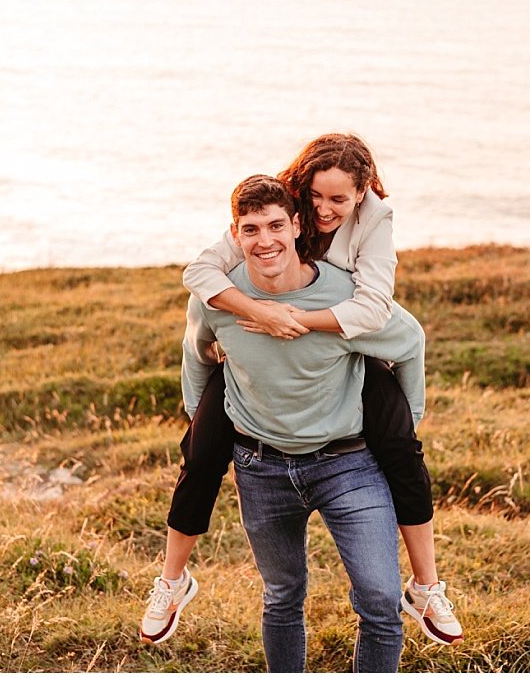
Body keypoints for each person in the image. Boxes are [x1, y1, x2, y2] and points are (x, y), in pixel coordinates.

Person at [139, 135, 462, 649]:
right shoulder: (274, 209)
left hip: (350, 336)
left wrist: (302, 322)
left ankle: (426, 586)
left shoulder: (373, 225)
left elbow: (384, 317)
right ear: (299, 195)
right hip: (259, 417)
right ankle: (172, 582)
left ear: (361, 194)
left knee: (403, 450)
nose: (325, 208)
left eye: (339, 199)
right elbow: (198, 289)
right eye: (317, 197)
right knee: (199, 458)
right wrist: (254, 317)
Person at [182, 175, 426, 671]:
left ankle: (425, 591)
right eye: (251, 230)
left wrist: (407, 422)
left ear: (297, 225)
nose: (266, 240)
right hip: (261, 467)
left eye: (277, 225)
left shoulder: (348, 298)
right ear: (236, 233)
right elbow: (197, 353)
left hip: (348, 465)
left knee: (380, 600)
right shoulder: (222, 296)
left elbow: (408, 343)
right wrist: (199, 420)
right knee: (281, 596)